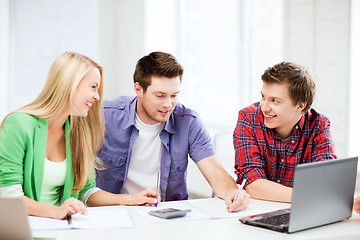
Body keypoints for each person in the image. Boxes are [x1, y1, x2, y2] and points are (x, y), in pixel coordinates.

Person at [0, 52, 157, 220]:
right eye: (93, 87)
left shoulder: (79, 131)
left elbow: (86, 192)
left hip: (62, 228)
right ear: (69, 84)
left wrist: (131, 199)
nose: (97, 97)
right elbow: (9, 194)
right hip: (27, 227)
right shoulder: (18, 124)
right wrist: (56, 211)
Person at [96, 51, 249, 212]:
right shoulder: (105, 116)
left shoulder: (188, 122)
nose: (168, 104)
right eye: (160, 96)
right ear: (138, 89)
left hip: (167, 215)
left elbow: (217, 174)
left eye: (174, 95)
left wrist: (233, 192)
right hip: (116, 211)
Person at [233, 61, 337, 203]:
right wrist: (310, 196)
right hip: (257, 209)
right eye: (263, 97)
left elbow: (326, 179)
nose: (264, 107)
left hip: (299, 211)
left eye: (274, 101)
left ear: (300, 105)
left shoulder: (319, 124)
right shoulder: (248, 118)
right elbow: (253, 185)